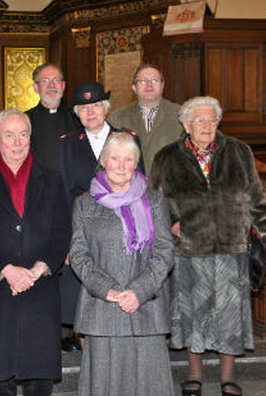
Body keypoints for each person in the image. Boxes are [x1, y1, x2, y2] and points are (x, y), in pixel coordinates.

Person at [150, 96, 266, 396]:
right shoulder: (167, 158)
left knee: (230, 315)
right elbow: (154, 204)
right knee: (191, 314)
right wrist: (173, 224)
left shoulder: (239, 152)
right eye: (199, 120)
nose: (206, 126)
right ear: (186, 125)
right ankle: (194, 372)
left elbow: (257, 201)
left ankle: (228, 374)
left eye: (212, 120)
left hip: (231, 249)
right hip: (189, 251)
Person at [0, 110, 71, 396]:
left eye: (23, 134)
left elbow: (62, 231)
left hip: (41, 287)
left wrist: (38, 270)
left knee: (39, 373)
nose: (17, 142)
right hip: (0, 287)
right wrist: (7, 270)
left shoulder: (52, 178)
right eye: (9, 135)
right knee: (0, 375)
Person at [69, 132, 175, 396]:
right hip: (102, 307)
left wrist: (138, 292)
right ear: (103, 160)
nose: (121, 165)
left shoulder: (155, 201)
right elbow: (79, 255)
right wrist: (108, 290)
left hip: (146, 307)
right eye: (115, 158)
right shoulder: (84, 204)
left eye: (129, 159)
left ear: (136, 163)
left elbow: (164, 252)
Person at [55, 82, 145, 352]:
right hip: (84, 227)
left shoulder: (128, 138)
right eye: (84, 108)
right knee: (85, 283)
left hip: (122, 228)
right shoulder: (67, 145)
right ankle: (86, 339)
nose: (90, 112)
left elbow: (140, 185)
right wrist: (69, 241)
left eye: (95, 106)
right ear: (77, 113)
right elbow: (63, 195)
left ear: (105, 108)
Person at [108, 63, 182, 174]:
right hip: (132, 186)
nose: (149, 85)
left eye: (154, 80)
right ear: (134, 88)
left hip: (169, 186)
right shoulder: (117, 118)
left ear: (162, 86)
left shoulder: (181, 115)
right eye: (142, 81)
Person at [24, 63, 81, 170]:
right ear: (36, 88)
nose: (51, 86)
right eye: (45, 81)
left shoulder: (78, 118)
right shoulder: (24, 120)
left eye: (56, 80)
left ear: (63, 86)